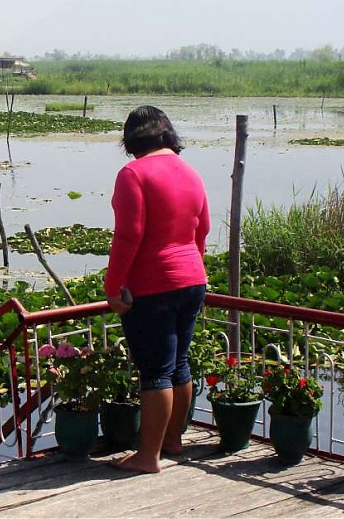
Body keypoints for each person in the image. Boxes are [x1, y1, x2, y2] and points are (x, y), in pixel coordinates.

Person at [104, 105, 210, 473]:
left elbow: (129, 234)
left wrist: (114, 284)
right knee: (179, 365)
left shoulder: (133, 173)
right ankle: (173, 441)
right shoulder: (191, 172)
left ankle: (148, 456)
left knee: (155, 372)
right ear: (168, 135)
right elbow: (203, 230)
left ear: (132, 141)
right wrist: (193, 270)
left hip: (154, 283)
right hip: (193, 279)